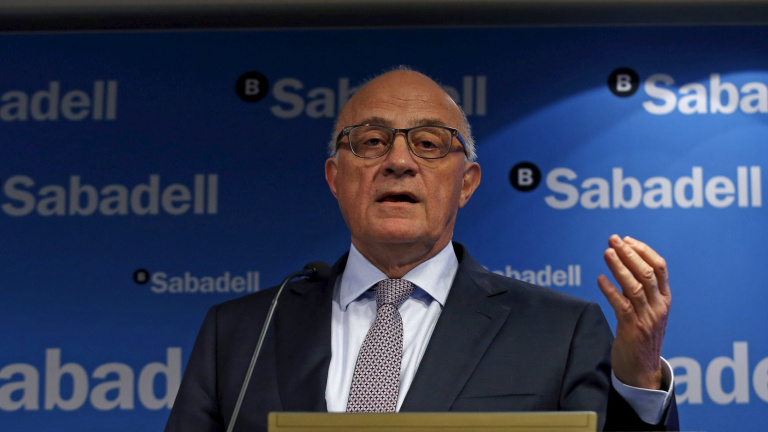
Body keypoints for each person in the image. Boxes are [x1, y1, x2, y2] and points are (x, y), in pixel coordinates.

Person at [165, 68, 678, 431]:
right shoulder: (241, 333)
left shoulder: (560, 331)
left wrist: (639, 379)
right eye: (371, 142)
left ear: (466, 184)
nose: (398, 161)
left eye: (429, 144)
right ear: (335, 178)